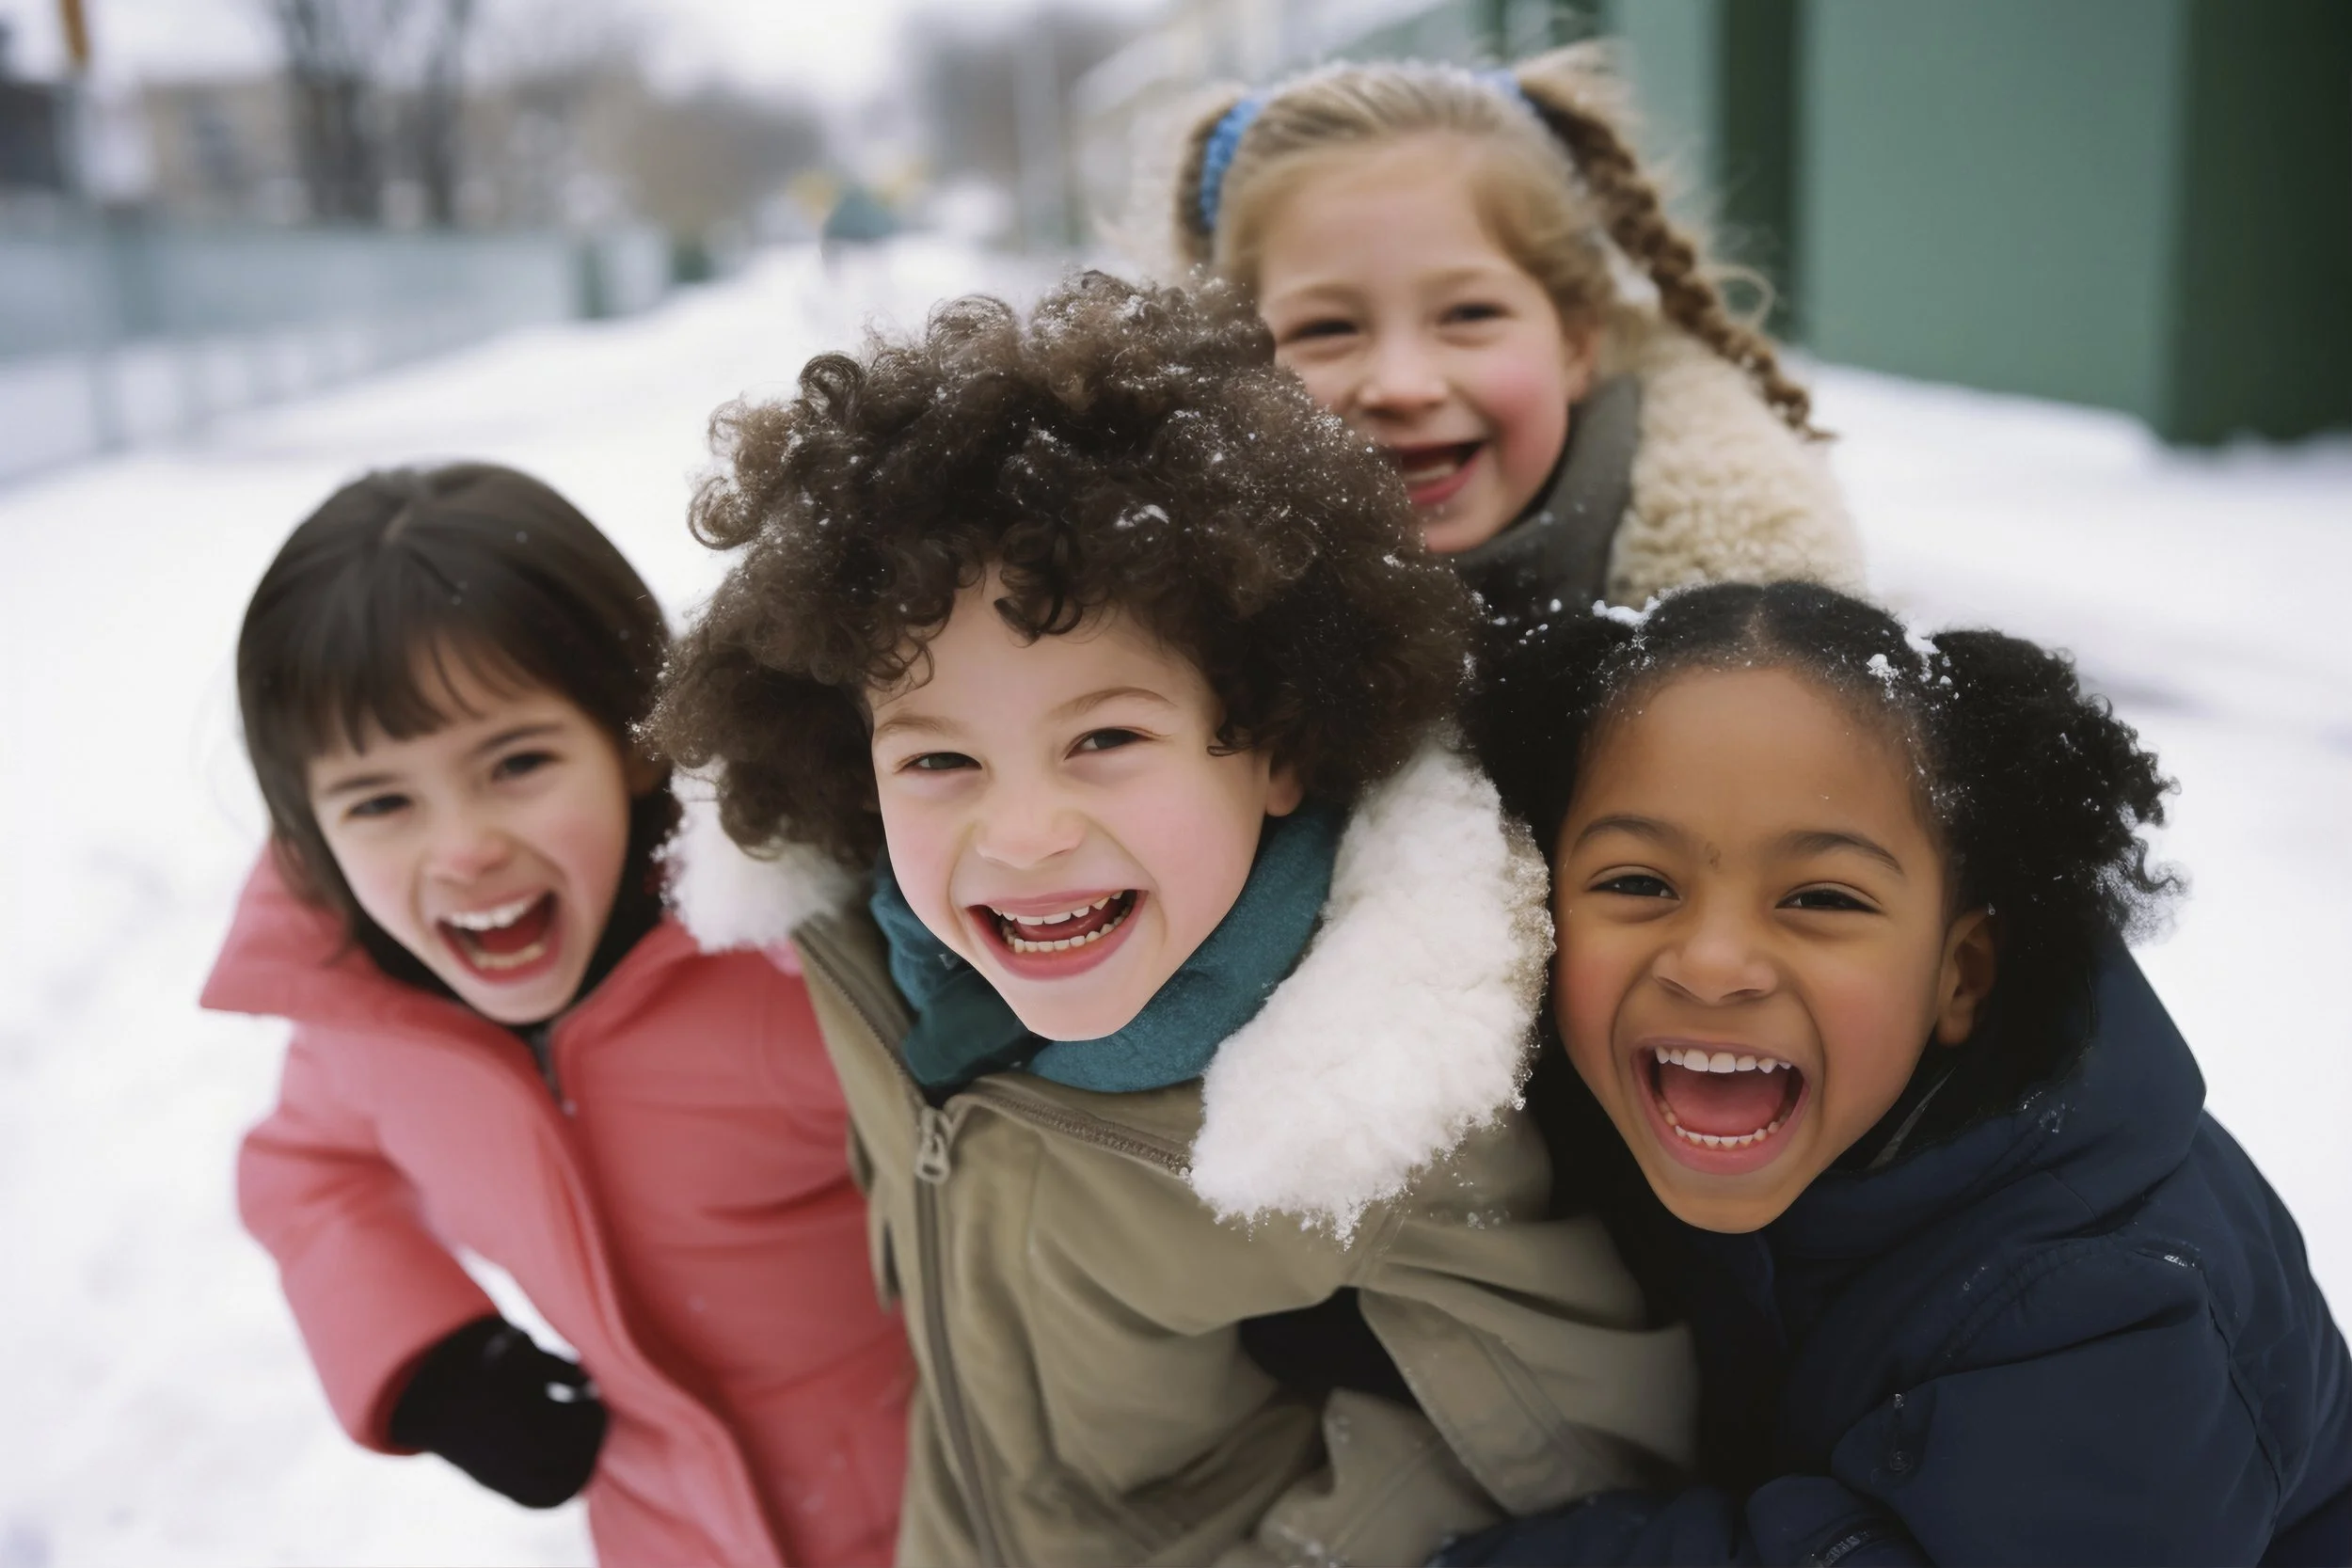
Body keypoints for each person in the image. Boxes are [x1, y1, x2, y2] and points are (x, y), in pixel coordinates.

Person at [650, 273, 1699, 1567]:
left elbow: (1591, 1430)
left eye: (1104, 738)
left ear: (1275, 744)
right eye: (938, 761)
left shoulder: (1365, 1097)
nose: (1022, 830)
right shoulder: (867, 961)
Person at [1444, 580, 2352, 1566]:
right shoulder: (1561, 1100)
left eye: (1820, 896)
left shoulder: (2116, 1300)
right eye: (1636, 881)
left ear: (1959, 974)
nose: (1709, 962)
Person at [205, 464, 912, 1567]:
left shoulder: (791, 949)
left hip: (947, 1513)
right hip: (668, 1536)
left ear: (637, 746)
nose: (463, 847)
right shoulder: (368, 1021)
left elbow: (1039, 1130)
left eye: (517, 762)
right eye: (381, 801)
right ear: (307, 831)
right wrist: (431, 1356)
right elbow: (308, 1168)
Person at [1158, 45, 1861, 620]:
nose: (1403, 385)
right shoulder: (1177, 639)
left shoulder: (1753, 630)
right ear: (1236, 359)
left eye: (1468, 315)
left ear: (1576, 343)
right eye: (1327, 328)